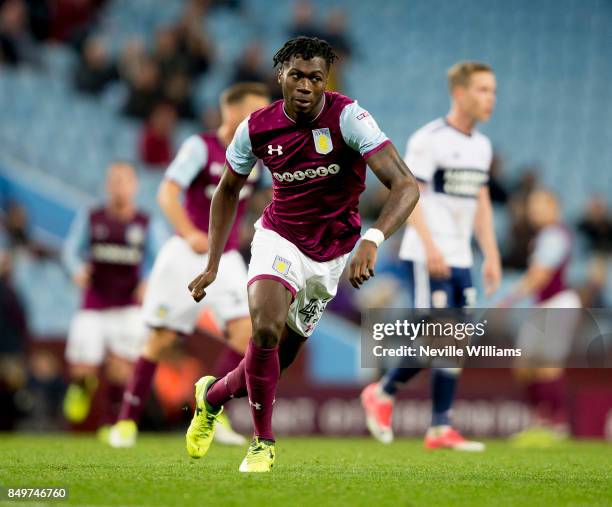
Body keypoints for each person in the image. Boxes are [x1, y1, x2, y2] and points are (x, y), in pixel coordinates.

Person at [186, 36, 419, 473]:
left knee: (274, 361)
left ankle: (211, 395)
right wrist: (213, 263)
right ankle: (263, 443)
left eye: (316, 77)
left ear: (325, 80)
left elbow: (406, 184)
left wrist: (372, 239)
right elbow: (227, 190)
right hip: (279, 238)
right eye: (297, 75)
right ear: (281, 76)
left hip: (331, 255)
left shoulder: (349, 117)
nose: (306, 86)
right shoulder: (256, 127)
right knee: (266, 331)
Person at [108, 82, 271, 448]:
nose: (261, 119)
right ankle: (126, 422)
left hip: (226, 258)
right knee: (162, 338)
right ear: (232, 112)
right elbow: (166, 192)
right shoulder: (201, 147)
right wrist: (188, 232)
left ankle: (212, 412)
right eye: (255, 111)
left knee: (246, 333)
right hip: (185, 254)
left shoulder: (256, 157)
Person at [361, 61, 502, 451]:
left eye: (493, 91)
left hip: (460, 257)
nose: (490, 98)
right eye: (482, 90)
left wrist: (490, 254)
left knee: (456, 341)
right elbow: (410, 194)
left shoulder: (482, 146)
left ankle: (435, 424)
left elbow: (481, 203)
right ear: (459, 93)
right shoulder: (430, 140)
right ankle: (386, 393)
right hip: (429, 252)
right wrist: (431, 245)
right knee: (442, 338)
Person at [62, 163, 162, 433]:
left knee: (122, 368)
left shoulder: (145, 223)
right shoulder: (92, 217)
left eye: (124, 181)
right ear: (107, 185)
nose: (119, 186)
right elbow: (71, 250)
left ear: (135, 186)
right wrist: (76, 269)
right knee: (83, 368)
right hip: (94, 302)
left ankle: (111, 423)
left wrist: (147, 280)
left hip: (128, 305)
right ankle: (82, 386)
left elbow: (159, 259)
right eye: (114, 181)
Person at [502, 189, 580, 447]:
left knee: (547, 365)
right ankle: (541, 419)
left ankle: (555, 422)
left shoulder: (554, 235)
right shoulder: (543, 236)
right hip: (544, 306)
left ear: (553, 206)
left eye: (538, 205)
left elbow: (541, 275)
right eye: (531, 206)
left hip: (557, 304)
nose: (533, 211)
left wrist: (509, 299)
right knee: (523, 366)